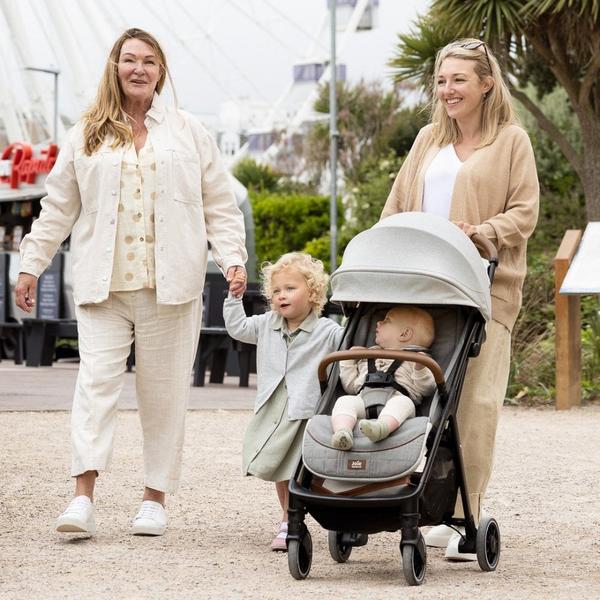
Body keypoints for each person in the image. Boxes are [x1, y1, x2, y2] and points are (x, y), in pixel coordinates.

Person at [15, 28, 248, 537]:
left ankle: (154, 499)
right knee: (94, 387)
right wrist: (31, 264)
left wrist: (232, 258)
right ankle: (82, 498)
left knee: (163, 396)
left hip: (173, 286)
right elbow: (58, 207)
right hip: (103, 287)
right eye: (129, 59)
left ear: (161, 71)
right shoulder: (86, 133)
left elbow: (219, 204)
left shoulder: (189, 131)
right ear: (114, 67)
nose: (138, 68)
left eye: (148, 61)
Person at [380, 39, 539, 560]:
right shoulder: (428, 138)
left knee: (473, 407)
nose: (448, 90)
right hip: (420, 288)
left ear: (486, 84)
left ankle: (461, 515)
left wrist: (483, 232)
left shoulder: (511, 141)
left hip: (484, 289)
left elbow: (525, 212)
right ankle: (402, 500)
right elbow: (395, 207)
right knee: (408, 393)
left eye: (459, 80)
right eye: (442, 81)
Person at [223, 252, 343, 551]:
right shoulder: (267, 324)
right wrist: (234, 299)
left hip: (307, 410)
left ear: (312, 293)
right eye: (276, 290)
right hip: (275, 409)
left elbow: (350, 345)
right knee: (282, 468)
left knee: (310, 470)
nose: (281, 295)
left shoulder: (327, 331)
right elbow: (238, 328)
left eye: (290, 288)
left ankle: (334, 512)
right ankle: (289, 518)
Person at [331, 306, 436, 450]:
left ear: (404, 334)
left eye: (387, 320)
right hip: (363, 400)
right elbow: (351, 387)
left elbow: (427, 390)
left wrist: (420, 368)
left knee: (403, 403)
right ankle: (343, 432)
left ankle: (381, 428)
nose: (378, 322)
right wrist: (348, 359)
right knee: (344, 401)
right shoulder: (368, 355)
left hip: (397, 400)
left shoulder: (417, 360)